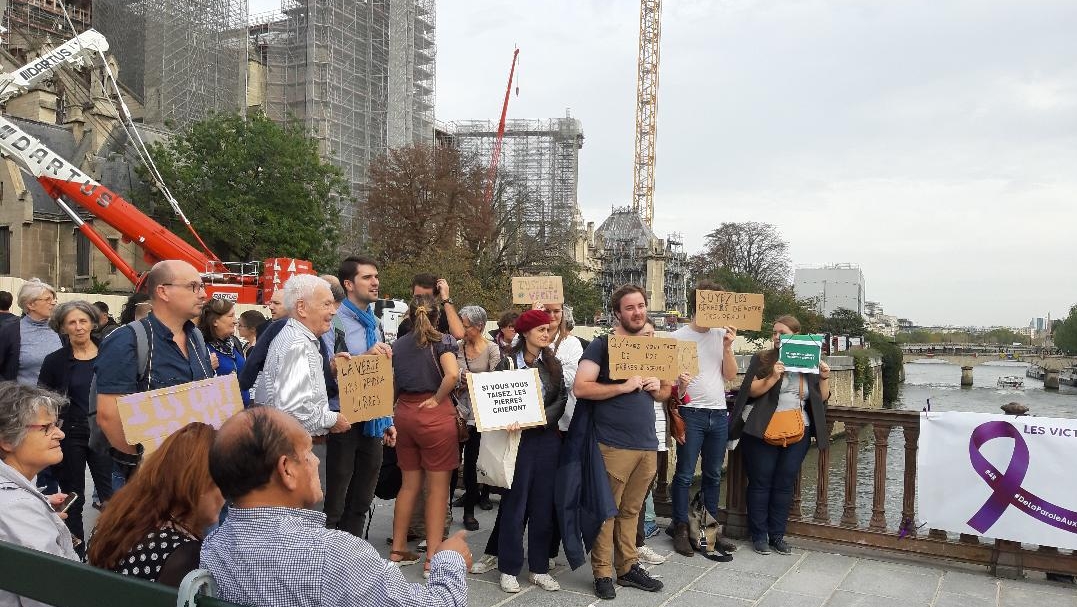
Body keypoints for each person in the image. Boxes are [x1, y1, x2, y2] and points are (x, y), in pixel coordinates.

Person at [200, 406, 471, 607]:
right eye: (307, 453)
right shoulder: (332, 555)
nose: (316, 462)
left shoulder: (213, 548)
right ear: (286, 470)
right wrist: (450, 559)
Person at [573, 284, 669, 600]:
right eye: (630, 308)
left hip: (646, 442)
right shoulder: (602, 346)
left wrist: (658, 386)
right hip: (612, 443)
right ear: (617, 313)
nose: (637, 312)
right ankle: (602, 573)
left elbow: (665, 392)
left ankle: (627, 567)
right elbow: (581, 388)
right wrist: (622, 387)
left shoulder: (651, 347)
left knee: (632, 510)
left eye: (641, 306)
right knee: (607, 510)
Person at [96, 260, 215, 488]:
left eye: (202, 286)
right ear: (163, 291)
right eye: (193, 287)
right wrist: (138, 468)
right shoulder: (127, 340)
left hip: (197, 471)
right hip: (150, 479)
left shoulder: (196, 338)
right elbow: (109, 416)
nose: (203, 294)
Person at [729, 314, 831, 556]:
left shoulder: (809, 360)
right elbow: (750, 391)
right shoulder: (763, 359)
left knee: (785, 483)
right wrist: (773, 376)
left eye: (782, 333)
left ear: (795, 336)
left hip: (799, 429)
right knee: (761, 482)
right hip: (763, 428)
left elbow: (821, 397)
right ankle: (759, 535)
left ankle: (777, 535)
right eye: (774, 333)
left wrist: (825, 378)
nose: (776, 337)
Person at [87, 423, 222, 586]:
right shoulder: (183, 553)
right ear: (199, 486)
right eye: (222, 484)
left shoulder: (117, 517)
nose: (226, 495)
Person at [491, 309, 566, 593]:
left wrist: (539, 418)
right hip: (517, 439)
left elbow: (560, 398)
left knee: (543, 504)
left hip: (546, 438)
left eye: (548, 330)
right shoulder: (508, 363)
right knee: (515, 502)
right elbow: (495, 397)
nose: (546, 334)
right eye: (540, 330)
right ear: (525, 333)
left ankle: (539, 567)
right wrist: (508, 420)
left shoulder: (553, 362)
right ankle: (509, 567)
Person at [668, 279, 740, 556]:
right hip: (691, 412)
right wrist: (680, 385)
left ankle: (710, 531)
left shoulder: (722, 335)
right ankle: (681, 528)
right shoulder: (677, 338)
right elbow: (671, 383)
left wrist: (727, 347)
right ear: (700, 305)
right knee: (685, 475)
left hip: (718, 413)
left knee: (712, 475)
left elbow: (731, 375)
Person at [324, 256, 395, 538]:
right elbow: (327, 371)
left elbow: (379, 375)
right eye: (367, 277)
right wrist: (365, 358)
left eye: (376, 276)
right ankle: (328, 561)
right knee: (336, 501)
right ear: (348, 284)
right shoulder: (333, 322)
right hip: (343, 419)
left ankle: (352, 560)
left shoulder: (374, 324)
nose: (375, 282)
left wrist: (387, 417)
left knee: (362, 500)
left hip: (372, 419)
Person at [389, 295, 459, 574]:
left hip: (404, 413)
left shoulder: (398, 345)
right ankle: (432, 557)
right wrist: (438, 398)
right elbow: (451, 375)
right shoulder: (443, 342)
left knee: (408, 486)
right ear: (437, 317)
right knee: (437, 491)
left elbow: (393, 384)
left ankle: (397, 550)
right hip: (435, 414)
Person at [38, 301, 114, 549]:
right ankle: (76, 550)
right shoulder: (54, 361)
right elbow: (44, 398)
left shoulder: (110, 354)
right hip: (70, 433)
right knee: (74, 496)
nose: (79, 327)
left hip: (104, 431)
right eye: (72, 322)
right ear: (63, 327)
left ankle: (114, 549)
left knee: (111, 496)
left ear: (93, 323)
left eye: (83, 321)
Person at [0, 383, 78, 607]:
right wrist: (35, 514)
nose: (60, 434)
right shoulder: (17, 508)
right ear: (7, 440)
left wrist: (42, 508)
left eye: (57, 424)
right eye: (46, 427)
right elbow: (53, 592)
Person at [252, 274, 350, 438]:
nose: (333, 311)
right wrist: (332, 419)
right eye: (326, 304)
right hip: (288, 443)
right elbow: (293, 410)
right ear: (301, 308)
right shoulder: (297, 345)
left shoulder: (297, 338)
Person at [452, 305, 500, 531]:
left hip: (479, 415)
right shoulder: (456, 347)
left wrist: (469, 380)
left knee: (471, 463)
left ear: (479, 327)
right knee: (451, 462)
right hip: (457, 411)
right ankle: (446, 511)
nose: (462, 330)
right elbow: (450, 376)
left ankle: (470, 510)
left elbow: (495, 382)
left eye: (466, 326)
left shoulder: (492, 349)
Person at [632, 319, 674, 566]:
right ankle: (629, 544)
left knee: (642, 493)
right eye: (643, 333)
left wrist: (661, 386)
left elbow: (666, 393)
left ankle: (637, 543)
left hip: (657, 435)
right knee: (628, 497)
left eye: (651, 334)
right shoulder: (624, 359)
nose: (649, 338)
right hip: (632, 436)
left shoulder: (662, 359)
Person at [0, 278, 61, 385]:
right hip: (22, 399)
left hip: (58, 400)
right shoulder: (9, 332)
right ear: (31, 305)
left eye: (54, 299)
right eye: (48, 299)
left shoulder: (61, 329)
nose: (54, 303)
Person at [540, 301, 584, 431]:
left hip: (563, 421)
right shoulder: (525, 340)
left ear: (563, 313)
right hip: (531, 420)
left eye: (556, 311)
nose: (552, 315)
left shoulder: (571, 343)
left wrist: (538, 377)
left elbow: (569, 380)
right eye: (547, 311)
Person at [199, 298, 247, 404]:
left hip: (243, 413)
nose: (235, 321)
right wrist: (207, 368)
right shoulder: (202, 348)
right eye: (230, 316)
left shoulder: (234, 343)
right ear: (215, 321)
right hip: (220, 414)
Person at [396, 274, 465, 341]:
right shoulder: (406, 324)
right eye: (418, 297)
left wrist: (446, 298)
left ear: (435, 298)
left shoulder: (445, 318)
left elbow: (459, 334)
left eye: (427, 298)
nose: (421, 301)